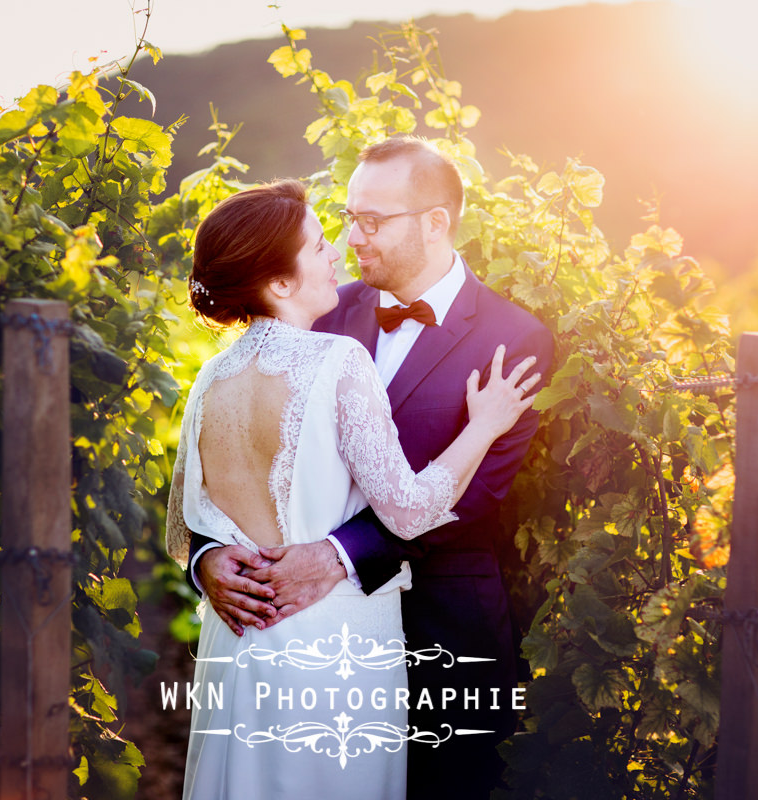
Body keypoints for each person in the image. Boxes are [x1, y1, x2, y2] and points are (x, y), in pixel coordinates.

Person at [191, 137, 555, 799]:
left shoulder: (516, 337)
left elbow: (476, 497)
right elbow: (246, 456)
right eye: (349, 216)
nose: (351, 237)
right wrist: (209, 557)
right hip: (305, 636)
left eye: (372, 221)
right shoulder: (324, 306)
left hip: (446, 630)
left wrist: (337, 554)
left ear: (436, 222)